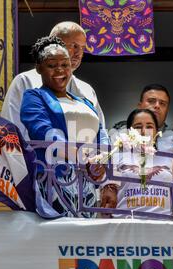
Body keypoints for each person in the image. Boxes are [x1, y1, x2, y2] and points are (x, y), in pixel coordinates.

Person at [20, 36, 108, 218]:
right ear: (39, 68)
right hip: (55, 181)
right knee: (60, 239)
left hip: (87, 185)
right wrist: (79, 155)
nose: (60, 70)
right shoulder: (34, 97)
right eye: (52, 65)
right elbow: (43, 131)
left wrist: (102, 160)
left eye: (65, 64)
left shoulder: (84, 101)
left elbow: (100, 133)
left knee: (84, 241)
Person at [2, 21, 105, 140]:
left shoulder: (87, 90)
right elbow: (11, 132)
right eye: (74, 46)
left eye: (82, 48)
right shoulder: (25, 82)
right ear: (55, 43)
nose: (79, 53)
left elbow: (100, 131)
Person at [101, 109, 173, 218]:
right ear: (129, 132)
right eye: (138, 126)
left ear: (157, 132)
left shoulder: (169, 158)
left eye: (149, 126)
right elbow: (107, 201)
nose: (143, 131)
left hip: (162, 228)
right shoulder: (117, 158)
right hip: (125, 226)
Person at [111, 84, 173, 153]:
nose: (157, 106)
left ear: (167, 110)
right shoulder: (118, 137)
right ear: (139, 107)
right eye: (151, 101)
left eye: (162, 103)